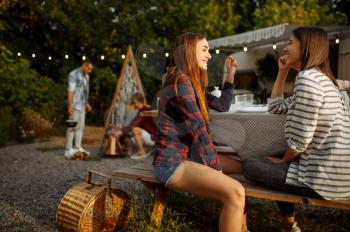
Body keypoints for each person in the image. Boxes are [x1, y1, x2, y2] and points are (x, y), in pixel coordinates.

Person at [241, 26, 350, 232]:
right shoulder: (323, 80)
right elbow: (275, 107)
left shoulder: (307, 80)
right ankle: (289, 226)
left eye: (291, 42)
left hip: (322, 180)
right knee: (273, 159)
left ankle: (288, 226)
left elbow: (299, 142)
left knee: (250, 163)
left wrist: (282, 161)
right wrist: (282, 72)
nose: (285, 48)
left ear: (306, 46)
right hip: (340, 177)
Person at [152, 32, 245, 232]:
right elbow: (199, 132)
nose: (209, 55)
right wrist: (215, 169)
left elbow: (222, 105)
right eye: (204, 50)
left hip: (189, 158)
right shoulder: (180, 83)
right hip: (171, 164)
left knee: (243, 168)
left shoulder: (191, 82)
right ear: (187, 52)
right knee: (235, 191)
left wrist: (230, 75)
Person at [112, 92, 157, 159]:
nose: (134, 105)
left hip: (153, 138)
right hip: (148, 136)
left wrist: (120, 132)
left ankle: (142, 152)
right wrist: (121, 130)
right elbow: (132, 123)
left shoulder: (146, 110)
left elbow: (134, 125)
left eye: (134, 103)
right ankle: (132, 153)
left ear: (138, 101)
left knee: (135, 130)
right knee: (128, 139)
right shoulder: (141, 110)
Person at [64, 60, 94, 159]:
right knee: (72, 126)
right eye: (89, 68)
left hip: (82, 105)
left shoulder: (86, 76)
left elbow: (85, 91)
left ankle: (77, 147)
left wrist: (87, 103)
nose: (90, 71)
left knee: (81, 126)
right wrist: (69, 106)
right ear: (84, 65)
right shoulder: (73, 74)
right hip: (74, 105)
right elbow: (70, 91)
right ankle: (68, 150)